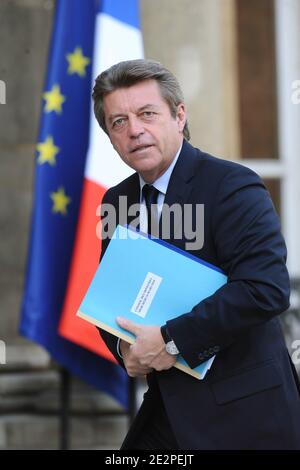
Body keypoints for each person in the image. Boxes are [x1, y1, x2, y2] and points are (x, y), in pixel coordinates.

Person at [92, 59, 300, 449]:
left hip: (246, 415)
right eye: (118, 122)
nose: (134, 130)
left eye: (147, 114)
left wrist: (170, 340)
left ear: (179, 115)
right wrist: (124, 349)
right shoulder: (116, 200)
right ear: (110, 136)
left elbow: (266, 288)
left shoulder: (231, 185)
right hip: (165, 412)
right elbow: (111, 297)